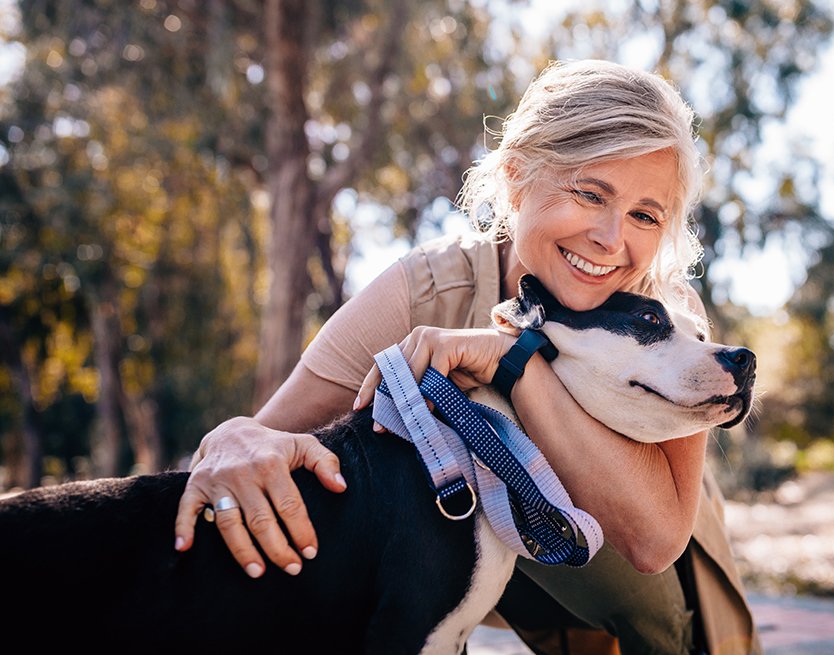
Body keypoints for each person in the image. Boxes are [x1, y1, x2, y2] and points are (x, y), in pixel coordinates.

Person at [173, 58, 762, 655]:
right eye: (590, 193)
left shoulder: (671, 316)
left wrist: (514, 361)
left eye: (644, 215)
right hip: (460, 549)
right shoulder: (428, 289)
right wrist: (231, 441)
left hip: (631, 584)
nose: (612, 240)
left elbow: (655, 542)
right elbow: (262, 438)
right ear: (515, 176)